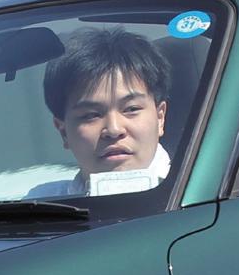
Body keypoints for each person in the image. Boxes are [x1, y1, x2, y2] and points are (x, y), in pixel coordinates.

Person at [30, 27, 172, 198]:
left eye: (131, 109)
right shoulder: (41, 206)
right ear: (64, 132)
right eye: (91, 115)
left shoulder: (199, 197)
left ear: (160, 118)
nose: (114, 130)